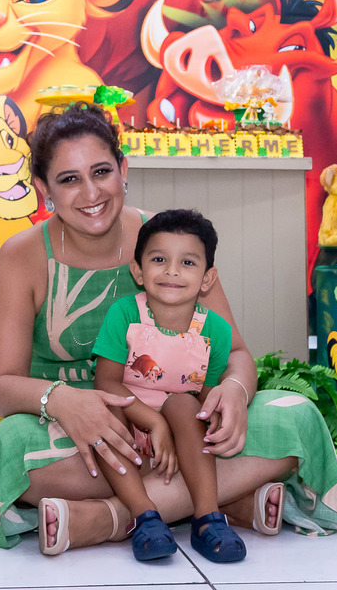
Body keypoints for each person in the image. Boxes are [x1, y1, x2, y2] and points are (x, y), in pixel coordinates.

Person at [0, 104, 337, 554]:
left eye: (101, 171)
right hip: (79, 431)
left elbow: (238, 353)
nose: (91, 192)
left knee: (296, 417)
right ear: (43, 188)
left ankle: (111, 518)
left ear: (123, 169)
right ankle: (223, 499)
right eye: (69, 179)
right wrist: (63, 401)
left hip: (184, 415)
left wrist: (236, 394)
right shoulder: (22, 255)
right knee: (10, 449)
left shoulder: (169, 243)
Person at [91, 209, 245, 564]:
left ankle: (207, 519)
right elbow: (107, 381)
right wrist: (152, 421)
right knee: (105, 408)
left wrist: (217, 415)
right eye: (159, 259)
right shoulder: (124, 314)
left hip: (182, 424)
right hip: (129, 414)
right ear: (138, 271)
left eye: (188, 262)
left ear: (207, 278)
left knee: (184, 404)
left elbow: (206, 390)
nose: (172, 271)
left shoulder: (216, 330)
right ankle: (145, 516)